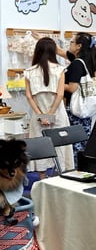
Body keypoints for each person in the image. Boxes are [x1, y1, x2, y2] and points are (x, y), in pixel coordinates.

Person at [24, 37, 73, 179]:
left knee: (41, 148)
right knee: (61, 148)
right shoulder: (60, 70)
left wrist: (41, 116)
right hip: (58, 115)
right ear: (53, 52)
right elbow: (60, 95)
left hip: (38, 117)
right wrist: (50, 115)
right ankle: (60, 181)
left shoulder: (29, 72)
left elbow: (29, 97)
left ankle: (42, 180)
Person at [56, 32, 96, 163]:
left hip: (75, 109)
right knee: (85, 141)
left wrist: (58, 82)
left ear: (79, 46)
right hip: (86, 108)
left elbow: (73, 88)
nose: (69, 44)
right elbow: (63, 53)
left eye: (72, 42)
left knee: (75, 143)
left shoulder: (77, 64)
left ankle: (76, 170)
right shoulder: (88, 60)